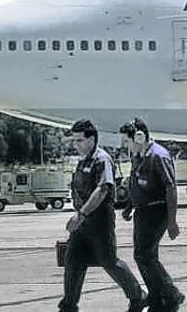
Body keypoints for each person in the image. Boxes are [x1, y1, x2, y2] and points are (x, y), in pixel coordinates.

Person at [59, 119, 147, 312]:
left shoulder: (102, 159)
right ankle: (68, 306)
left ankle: (138, 296)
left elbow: (103, 189)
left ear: (91, 139)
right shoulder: (84, 161)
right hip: (82, 224)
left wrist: (81, 214)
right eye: (75, 141)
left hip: (99, 221)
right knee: (73, 261)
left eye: (80, 140)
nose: (77, 145)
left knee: (109, 261)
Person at [120, 118, 185, 311]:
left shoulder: (159, 156)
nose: (125, 145)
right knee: (142, 255)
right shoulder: (138, 156)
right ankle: (157, 295)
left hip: (157, 210)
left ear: (139, 137)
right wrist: (129, 205)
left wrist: (172, 221)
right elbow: (135, 182)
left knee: (145, 255)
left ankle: (171, 294)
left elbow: (170, 188)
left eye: (126, 141)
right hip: (142, 211)